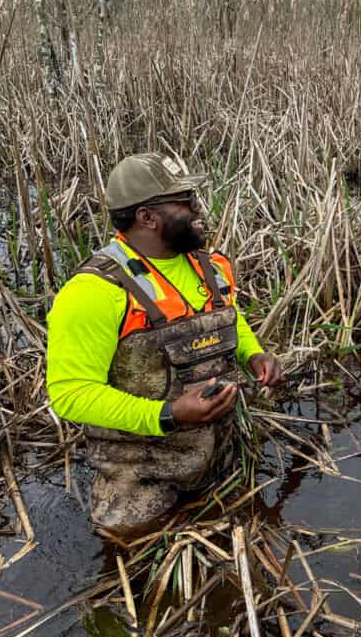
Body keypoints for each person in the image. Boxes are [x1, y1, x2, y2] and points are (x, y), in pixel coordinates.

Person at [46, 153, 282, 537]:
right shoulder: (93, 292)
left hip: (222, 460)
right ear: (147, 217)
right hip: (140, 477)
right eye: (185, 201)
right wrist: (169, 414)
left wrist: (252, 353)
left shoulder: (211, 265)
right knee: (130, 563)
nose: (198, 209)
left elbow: (229, 318)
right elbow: (70, 394)